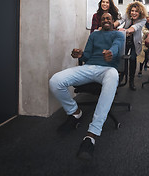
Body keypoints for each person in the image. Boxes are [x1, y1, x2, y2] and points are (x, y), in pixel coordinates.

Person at [49, 13, 124, 160]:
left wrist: (110, 53)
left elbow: (116, 47)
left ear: (113, 21)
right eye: (103, 19)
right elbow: (87, 55)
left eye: (109, 18)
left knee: (113, 75)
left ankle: (91, 135)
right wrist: (79, 54)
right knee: (55, 81)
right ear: (100, 22)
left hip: (107, 70)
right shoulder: (94, 35)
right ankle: (75, 111)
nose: (106, 20)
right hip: (89, 67)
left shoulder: (118, 34)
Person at [116, 1, 146, 91]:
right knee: (122, 59)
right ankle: (120, 79)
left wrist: (125, 31)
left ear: (140, 12)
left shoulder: (143, 19)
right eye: (132, 11)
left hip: (135, 42)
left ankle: (131, 81)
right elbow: (120, 21)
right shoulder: (127, 15)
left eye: (136, 11)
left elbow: (135, 28)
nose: (134, 13)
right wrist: (112, 26)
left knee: (132, 59)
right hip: (125, 41)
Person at [137, 12, 149, 77]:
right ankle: (140, 70)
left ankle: (146, 64)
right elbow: (145, 31)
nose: (148, 19)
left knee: (147, 57)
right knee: (142, 57)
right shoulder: (143, 24)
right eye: (146, 17)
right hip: (144, 42)